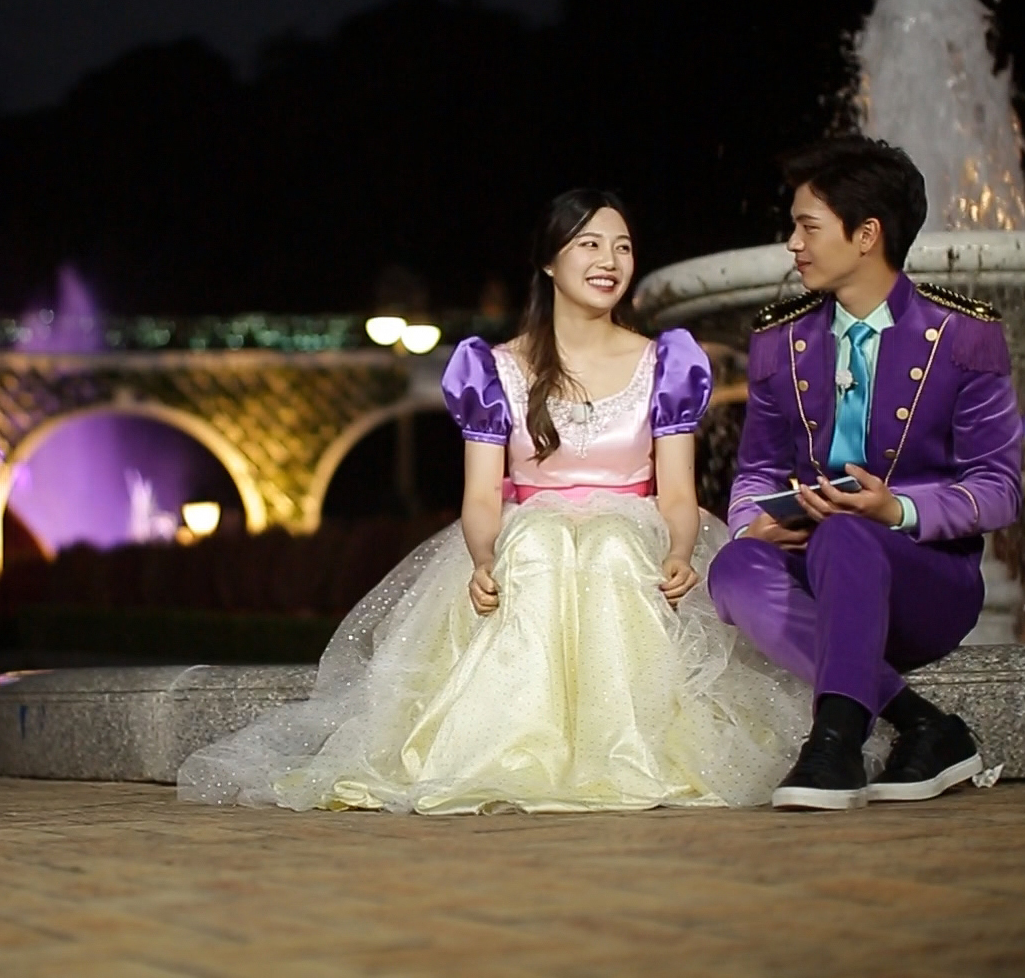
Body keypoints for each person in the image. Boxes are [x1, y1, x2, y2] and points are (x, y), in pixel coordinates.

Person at [178, 189, 810, 813]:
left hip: (633, 530)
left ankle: (627, 749)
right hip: (531, 531)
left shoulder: (665, 362)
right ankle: (515, 748)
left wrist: (678, 550)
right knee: (535, 543)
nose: (609, 260)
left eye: (622, 247)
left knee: (612, 546)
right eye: (589, 244)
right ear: (549, 261)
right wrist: (483, 558)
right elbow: (482, 497)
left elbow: (676, 492)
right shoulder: (498, 369)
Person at [707, 137, 1022, 812]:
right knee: (733, 568)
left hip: (927, 583)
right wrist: (756, 525)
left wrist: (894, 509)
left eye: (808, 227)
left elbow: (998, 488)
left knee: (847, 534)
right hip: (819, 565)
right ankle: (922, 723)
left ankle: (836, 744)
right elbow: (757, 469)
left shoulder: (962, 335)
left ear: (867, 235)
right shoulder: (779, 341)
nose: (793, 244)